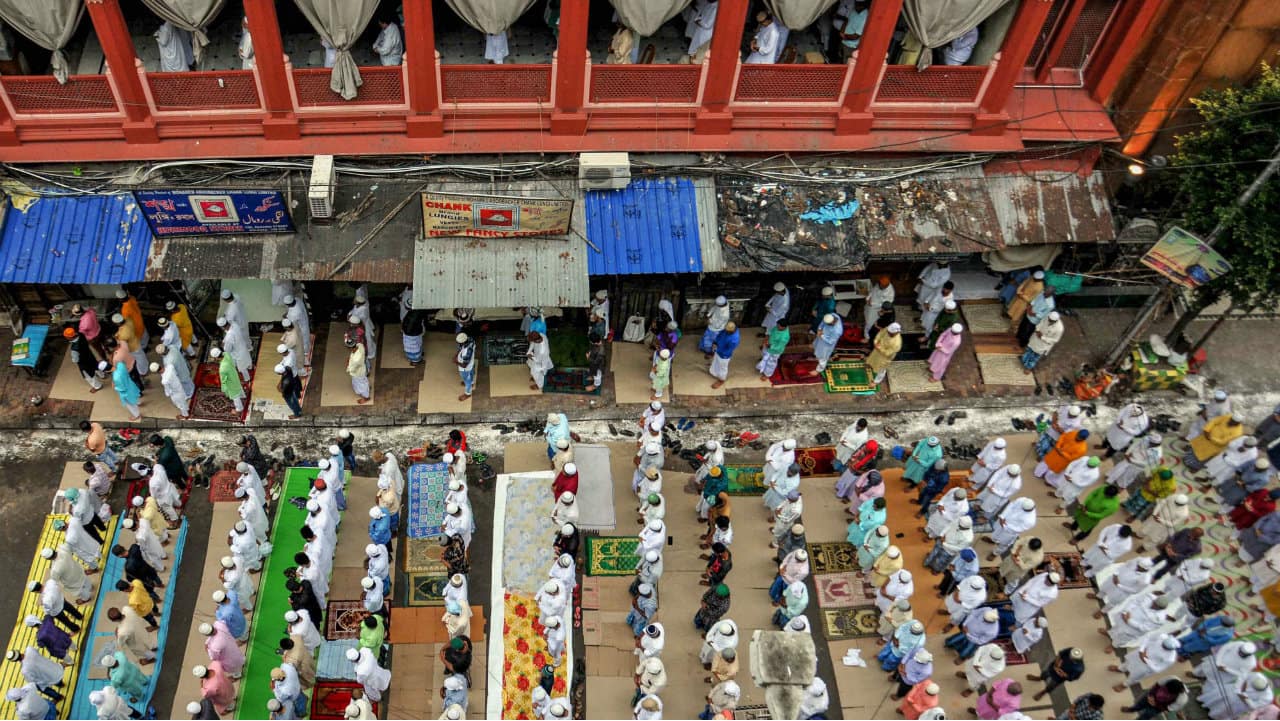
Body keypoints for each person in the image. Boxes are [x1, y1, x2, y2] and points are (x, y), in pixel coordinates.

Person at [1112, 634, 1180, 691]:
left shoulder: (1170, 658)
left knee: (1134, 676)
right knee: (1128, 662)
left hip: (1146, 666)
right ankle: (1120, 669)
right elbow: (1147, 638)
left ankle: (1124, 685)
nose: (1162, 646)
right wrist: (1142, 650)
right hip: (1139, 654)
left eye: (1165, 647)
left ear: (1171, 649)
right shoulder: (1162, 636)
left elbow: (1158, 669)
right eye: (1163, 644)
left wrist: (1145, 660)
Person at [1122, 678, 1188, 720]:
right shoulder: (1171, 678)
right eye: (1165, 689)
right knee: (1140, 704)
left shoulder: (1182, 700)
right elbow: (1157, 685)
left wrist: (1155, 704)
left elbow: (1168, 709)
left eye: (1168, 692)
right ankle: (1131, 709)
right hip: (1152, 696)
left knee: (1146, 715)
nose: (1165, 692)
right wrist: (1151, 695)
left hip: (1158, 708)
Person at [709, 322, 740, 388]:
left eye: (727, 331)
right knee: (716, 361)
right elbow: (720, 335)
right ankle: (714, 371)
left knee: (723, 367)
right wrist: (715, 342)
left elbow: (728, 350)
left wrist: (718, 350)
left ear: (732, 331)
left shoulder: (734, 339)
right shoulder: (725, 330)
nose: (725, 331)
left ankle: (721, 380)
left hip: (724, 355)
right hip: (718, 349)